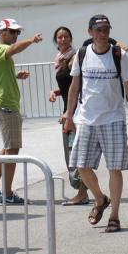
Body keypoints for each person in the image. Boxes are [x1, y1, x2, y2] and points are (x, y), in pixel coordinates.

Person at [62, 15, 128, 233]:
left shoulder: (119, 55)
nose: (103, 34)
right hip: (86, 118)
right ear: (90, 32)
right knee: (81, 165)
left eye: (106, 29)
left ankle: (114, 216)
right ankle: (100, 198)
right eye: (98, 30)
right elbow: (74, 86)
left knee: (114, 168)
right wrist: (69, 115)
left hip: (113, 118)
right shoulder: (82, 54)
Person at [0, 18, 42, 205]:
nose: (16, 35)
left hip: (5, 105)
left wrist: (15, 75)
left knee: (7, 148)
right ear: (1, 32)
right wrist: (31, 40)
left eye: (18, 32)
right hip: (6, 106)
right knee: (13, 149)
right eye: (12, 31)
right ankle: (7, 193)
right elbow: (14, 49)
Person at [48, 26, 89, 206]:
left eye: (66, 37)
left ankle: (82, 192)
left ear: (71, 38)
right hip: (69, 111)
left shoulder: (74, 58)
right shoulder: (60, 59)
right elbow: (67, 87)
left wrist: (69, 114)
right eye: (60, 37)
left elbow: (78, 87)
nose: (63, 40)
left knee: (75, 153)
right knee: (72, 153)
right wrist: (55, 92)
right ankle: (84, 191)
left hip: (75, 113)